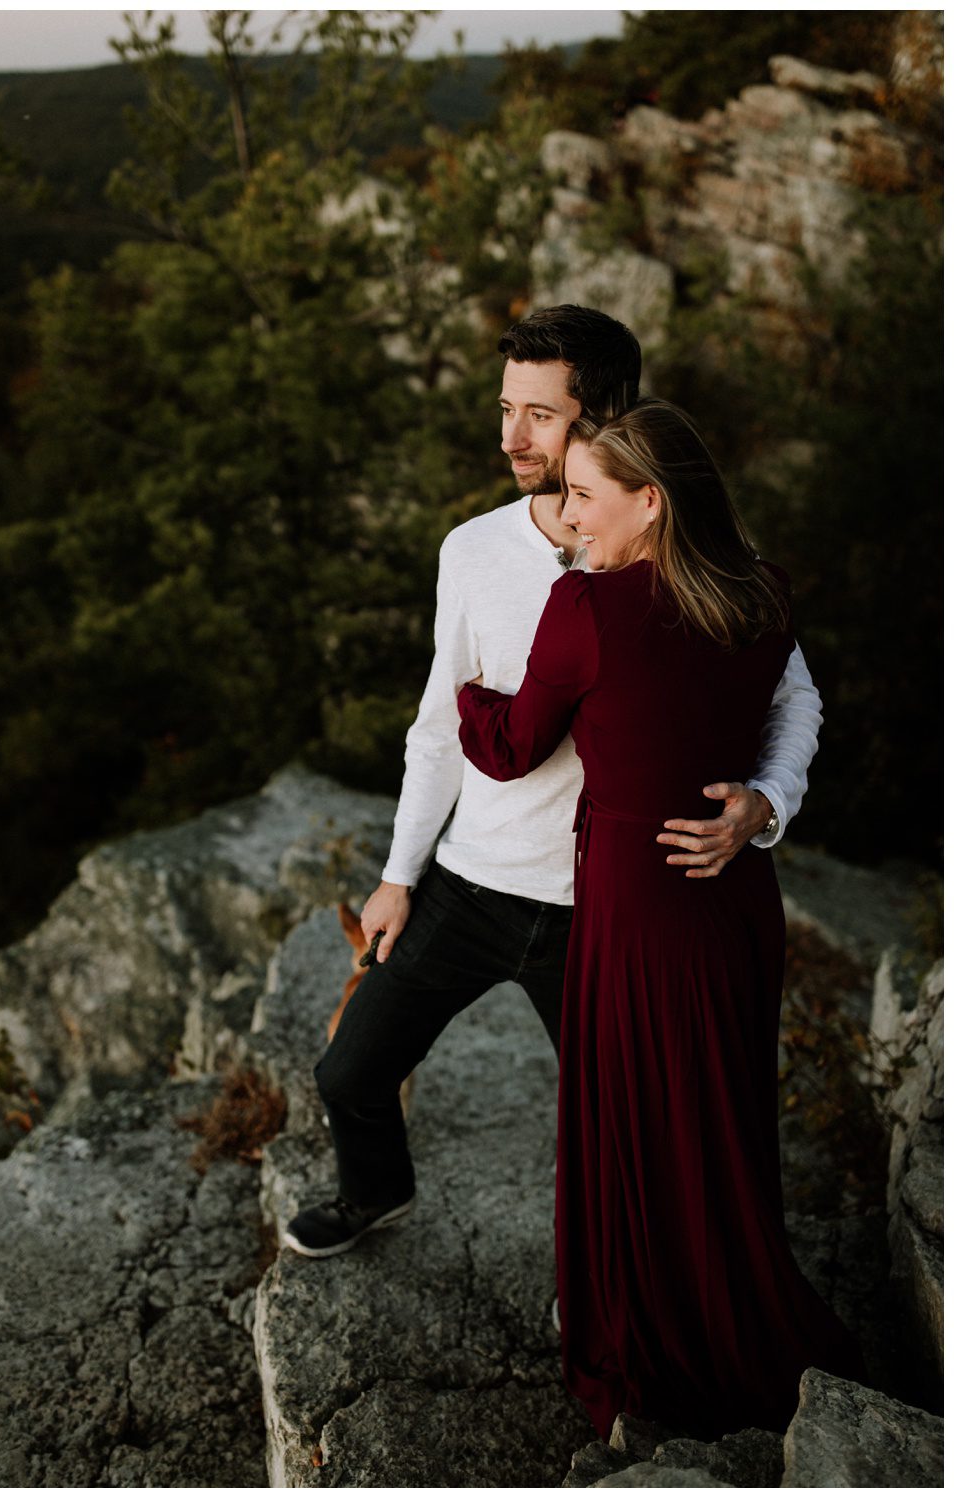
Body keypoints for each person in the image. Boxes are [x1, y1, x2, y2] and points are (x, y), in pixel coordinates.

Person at [285, 306, 823, 1258]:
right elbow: (441, 725)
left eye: (539, 414)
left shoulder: (692, 561)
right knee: (349, 1072)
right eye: (505, 408)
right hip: (474, 882)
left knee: (628, 1130)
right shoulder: (474, 552)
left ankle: (628, 1286)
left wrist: (766, 802)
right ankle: (377, 1191)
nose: (510, 437)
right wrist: (401, 876)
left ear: (605, 416)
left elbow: (792, 697)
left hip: (606, 911)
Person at [457, 399, 863, 1436]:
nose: (569, 515)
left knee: (639, 1132)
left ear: (650, 501)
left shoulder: (585, 610)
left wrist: (466, 691)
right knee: (716, 1131)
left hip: (637, 908)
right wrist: (758, 802)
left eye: (585, 497)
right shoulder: (757, 591)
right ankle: (728, 1316)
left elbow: (508, 746)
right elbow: (790, 700)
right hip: (732, 909)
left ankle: (657, 1342)